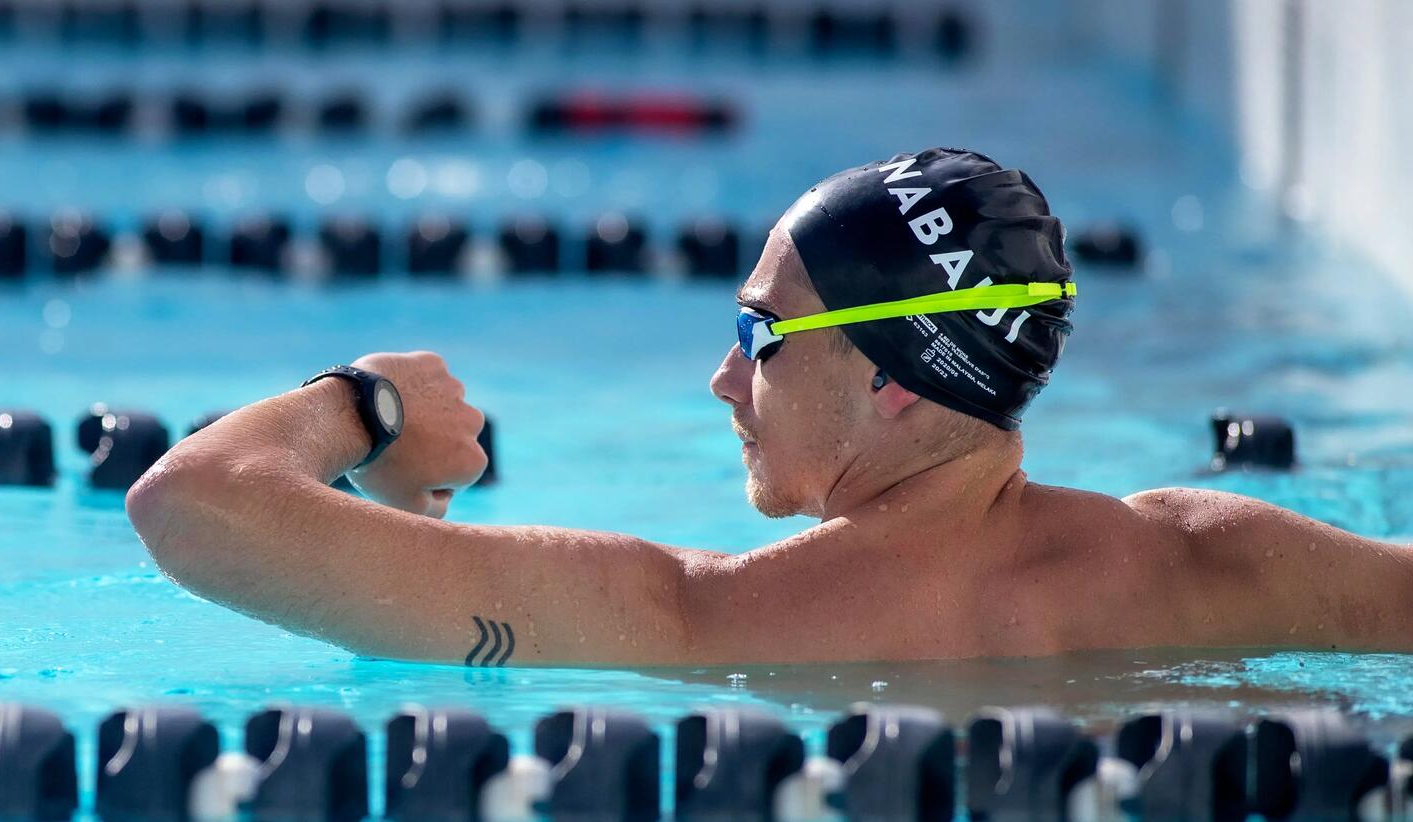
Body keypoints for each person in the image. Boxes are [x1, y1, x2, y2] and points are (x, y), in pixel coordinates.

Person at [124, 147, 1413, 667]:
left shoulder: (705, 620)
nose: (723, 378)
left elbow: (190, 508)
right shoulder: (1234, 562)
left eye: (759, 334)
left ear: (894, 381)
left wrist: (364, 406)